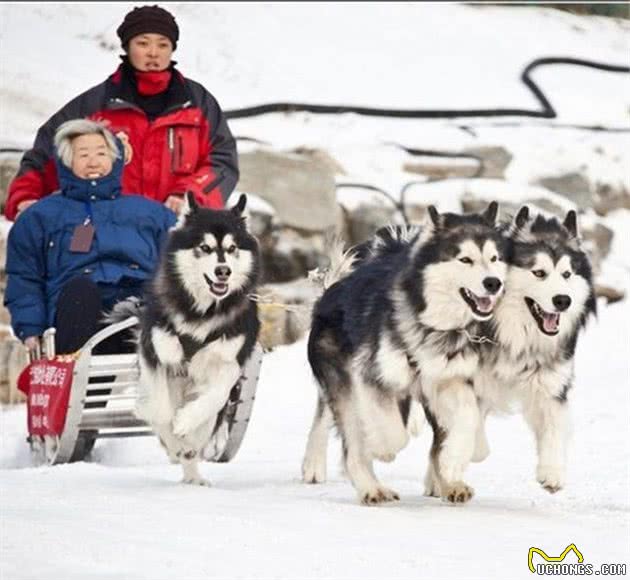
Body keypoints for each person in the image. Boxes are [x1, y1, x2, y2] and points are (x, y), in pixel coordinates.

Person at [5, 4, 238, 222]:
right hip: (99, 230)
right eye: (143, 43)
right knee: (74, 256)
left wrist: (190, 198)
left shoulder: (198, 103)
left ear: (172, 49)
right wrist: (25, 197)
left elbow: (223, 162)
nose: (153, 53)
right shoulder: (94, 106)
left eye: (163, 44)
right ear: (127, 47)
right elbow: (45, 153)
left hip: (173, 232)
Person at [4, 119, 176, 356]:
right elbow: (24, 277)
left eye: (101, 153)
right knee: (81, 291)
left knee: (151, 298)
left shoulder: (153, 214)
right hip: (77, 312)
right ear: (67, 161)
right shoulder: (39, 217)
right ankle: (77, 376)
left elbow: (181, 267)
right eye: (83, 155)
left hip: (138, 308)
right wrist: (30, 328)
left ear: (115, 158)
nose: (93, 162)